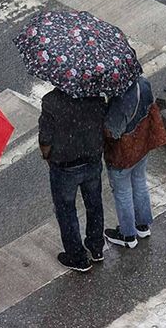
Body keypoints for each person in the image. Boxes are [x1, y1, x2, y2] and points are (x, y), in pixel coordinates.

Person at [38, 87, 107, 272]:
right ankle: (96, 247)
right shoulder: (94, 95)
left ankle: (77, 257)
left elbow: (45, 139)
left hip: (65, 166)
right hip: (92, 160)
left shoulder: (51, 102)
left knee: (66, 211)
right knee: (94, 204)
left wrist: (48, 158)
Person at [103, 76, 166, 248]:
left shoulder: (120, 99)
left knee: (122, 192)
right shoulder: (143, 84)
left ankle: (128, 236)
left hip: (123, 154)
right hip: (141, 146)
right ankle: (143, 226)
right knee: (139, 183)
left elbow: (113, 132)